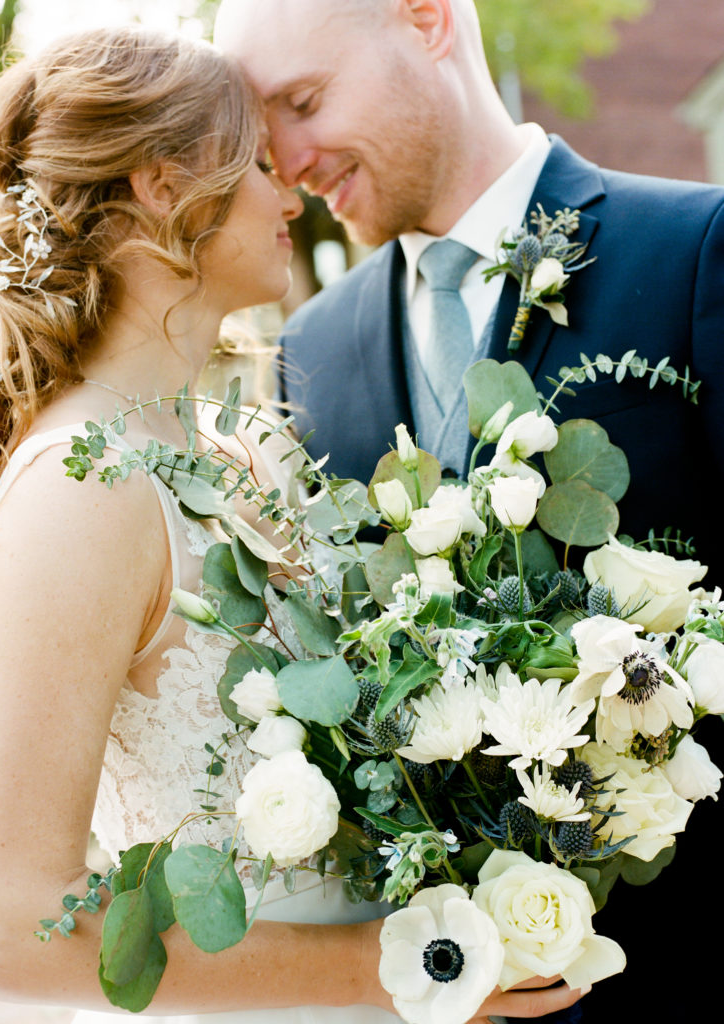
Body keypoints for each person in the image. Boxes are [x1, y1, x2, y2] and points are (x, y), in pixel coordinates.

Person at [0, 26, 583, 1024]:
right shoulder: (80, 491)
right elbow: (1, 931)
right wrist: (406, 970)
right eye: (256, 162)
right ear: (162, 185)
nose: (289, 192)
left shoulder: (245, 448)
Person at [214, 1, 724, 1021]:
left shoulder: (693, 250)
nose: (288, 162)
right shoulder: (311, 348)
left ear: (427, 18)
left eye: (303, 103)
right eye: (261, 134)